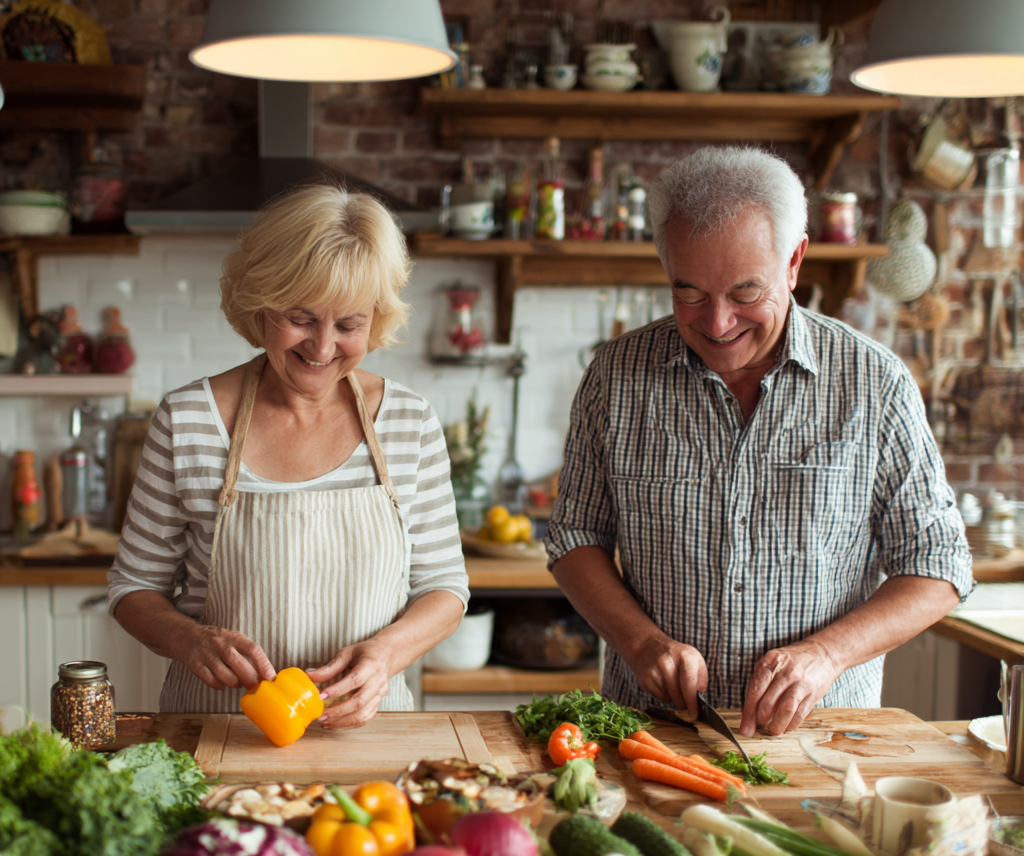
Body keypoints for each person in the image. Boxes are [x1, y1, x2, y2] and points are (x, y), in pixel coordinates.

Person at [546, 147, 971, 737]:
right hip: (650, 732)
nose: (718, 323)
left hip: (826, 737)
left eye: (746, 292)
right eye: (689, 292)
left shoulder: (875, 382)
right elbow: (574, 537)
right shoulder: (616, 377)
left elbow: (939, 564)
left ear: (793, 262)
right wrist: (640, 643)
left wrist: (826, 654)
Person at [108, 183, 468, 727]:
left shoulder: (408, 422)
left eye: (349, 325)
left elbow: (444, 586)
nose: (321, 348)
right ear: (260, 305)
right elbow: (133, 587)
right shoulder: (189, 419)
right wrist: (190, 640)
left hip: (368, 732)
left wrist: (386, 655)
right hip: (215, 729)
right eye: (300, 317)